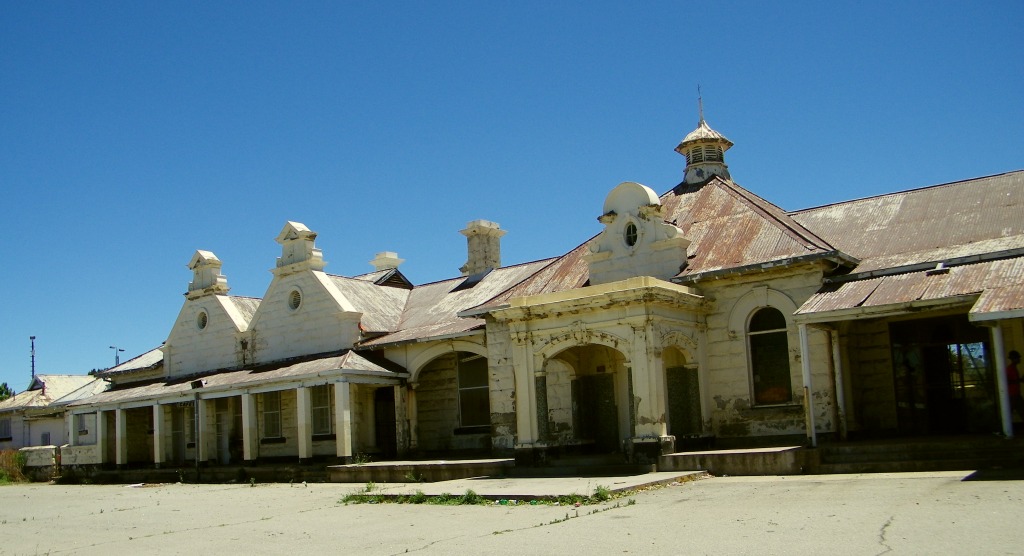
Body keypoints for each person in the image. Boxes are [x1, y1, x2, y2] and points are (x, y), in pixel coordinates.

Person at [1006, 350, 1024, 423]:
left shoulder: (1012, 368)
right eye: (1017, 358)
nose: (1019, 359)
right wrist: (1019, 380)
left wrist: (1019, 380)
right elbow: (1007, 381)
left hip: (1015, 394)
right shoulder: (1010, 369)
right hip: (1013, 395)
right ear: (1014, 359)